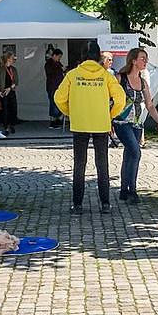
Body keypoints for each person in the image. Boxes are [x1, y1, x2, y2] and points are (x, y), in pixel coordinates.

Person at [54, 41, 126, 214]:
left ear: (82, 56)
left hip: (80, 124)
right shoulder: (106, 76)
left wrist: (70, 112)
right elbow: (120, 99)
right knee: (102, 165)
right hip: (101, 124)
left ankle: (77, 204)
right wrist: (110, 115)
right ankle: (105, 204)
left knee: (79, 165)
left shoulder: (72, 75)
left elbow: (58, 98)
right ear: (98, 56)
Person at [113, 47, 158, 202]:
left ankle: (124, 190)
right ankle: (132, 190)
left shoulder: (143, 82)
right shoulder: (120, 78)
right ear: (133, 60)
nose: (146, 61)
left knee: (130, 154)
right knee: (136, 152)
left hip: (137, 123)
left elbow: (150, 105)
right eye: (143, 58)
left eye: (146, 58)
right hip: (121, 122)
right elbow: (110, 99)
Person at [0, 52, 18, 135]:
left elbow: (16, 82)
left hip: (11, 91)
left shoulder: (13, 69)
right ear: (8, 59)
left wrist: (10, 88)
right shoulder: (0, 69)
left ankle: (11, 125)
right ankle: (6, 127)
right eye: (12, 58)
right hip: (2, 92)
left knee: (13, 109)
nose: (13, 60)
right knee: (5, 110)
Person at [45, 48, 65, 128]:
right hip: (52, 86)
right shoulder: (49, 64)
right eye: (59, 56)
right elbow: (51, 73)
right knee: (53, 103)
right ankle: (53, 121)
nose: (59, 58)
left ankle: (58, 120)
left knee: (57, 103)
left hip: (58, 86)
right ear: (54, 55)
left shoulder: (58, 63)